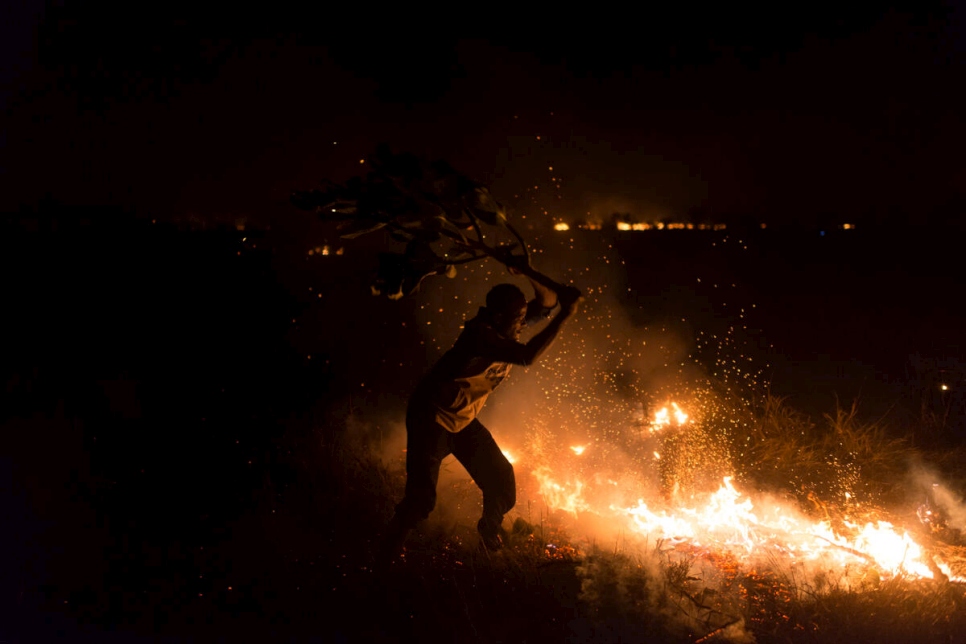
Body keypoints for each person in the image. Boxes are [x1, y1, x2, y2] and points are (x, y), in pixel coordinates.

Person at [384, 261, 581, 556]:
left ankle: (488, 534)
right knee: (420, 501)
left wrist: (527, 271)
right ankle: (386, 554)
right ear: (499, 316)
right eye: (518, 319)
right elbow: (527, 356)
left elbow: (546, 303)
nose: (522, 324)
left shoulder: (505, 326)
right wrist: (566, 314)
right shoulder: (481, 336)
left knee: (501, 482)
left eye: (523, 318)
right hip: (433, 419)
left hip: (462, 421)